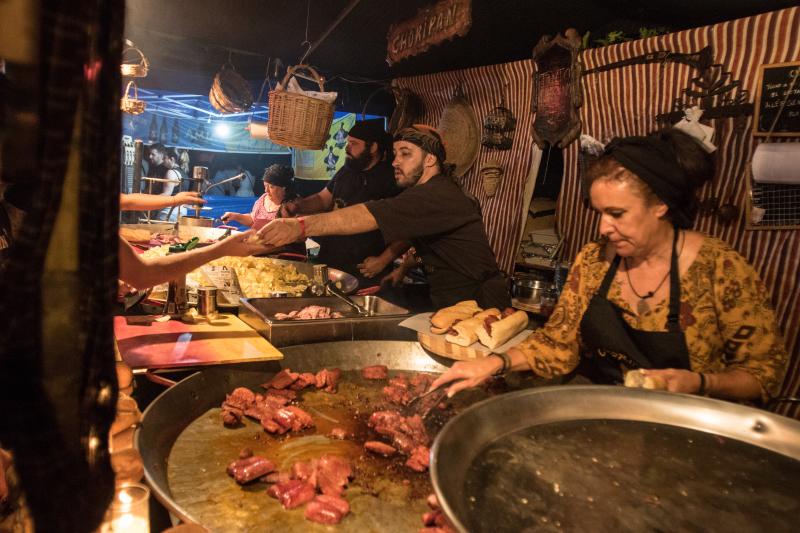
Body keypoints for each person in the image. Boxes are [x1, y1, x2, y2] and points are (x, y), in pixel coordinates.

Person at [431, 128, 788, 403]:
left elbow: (762, 375)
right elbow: (558, 343)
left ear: (661, 205)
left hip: (687, 430)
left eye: (617, 213)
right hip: (603, 413)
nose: (603, 228)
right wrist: (495, 363)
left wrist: (700, 382)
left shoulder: (720, 268)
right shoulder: (594, 261)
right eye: (599, 213)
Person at [256, 124, 512, 310]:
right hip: (452, 299)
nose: (395, 162)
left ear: (431, 159)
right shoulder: (427, 192)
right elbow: (429, 240)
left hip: (480, 303)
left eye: (406, 153)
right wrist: (404, 268)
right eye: (396, 153)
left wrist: (300, 226)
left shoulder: (438, 194)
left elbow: (366, 215)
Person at [281, 119, 403, 286]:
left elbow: (408, 227)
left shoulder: (391, 178)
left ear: (373, 147)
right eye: (347, 142)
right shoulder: (347, 170)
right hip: (329, 260)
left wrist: (383, 260)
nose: (347, 148)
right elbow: (323, 198)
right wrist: (298, 206)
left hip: (364, 269)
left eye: (354, 143)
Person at [221, 164, 297, 230]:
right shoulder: (263, 198)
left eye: (271, 187)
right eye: (265, 186)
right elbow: (253, 220)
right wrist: (235, 216)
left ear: (283, 187)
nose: (266, 190)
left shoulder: (291, 207)